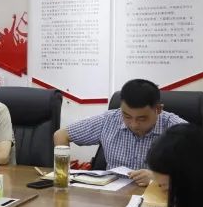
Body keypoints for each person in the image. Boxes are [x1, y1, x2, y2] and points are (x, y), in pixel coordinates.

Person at [54, 79, 186, 185]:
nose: (133, 124)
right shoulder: (109, 120)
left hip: (155, 197)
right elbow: (61, 135)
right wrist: (63, 177)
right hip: (112, 196)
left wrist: (160, 178)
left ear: (158, 109)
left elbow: (196, 173)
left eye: (142, 118)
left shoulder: (176, 129)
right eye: (127, 116)